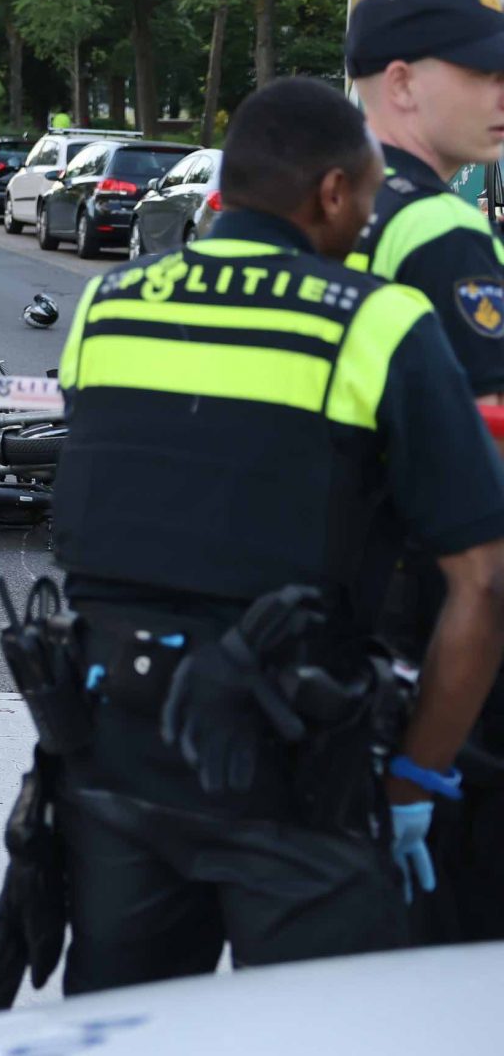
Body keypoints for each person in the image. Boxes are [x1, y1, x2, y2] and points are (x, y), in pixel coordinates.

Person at [45, 77, 504, 992]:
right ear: (333, 192)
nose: (369, 216)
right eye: (370, 196)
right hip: (300, 775)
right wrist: (419, 782)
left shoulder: (108, 307)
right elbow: (484, 583)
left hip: (117, 758)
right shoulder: (375, 321)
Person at [344, 0, 504, 940]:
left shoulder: (302, 201)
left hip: (323, 611)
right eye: (485, 74)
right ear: (401, 82)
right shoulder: (437, 225)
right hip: (441, 619)